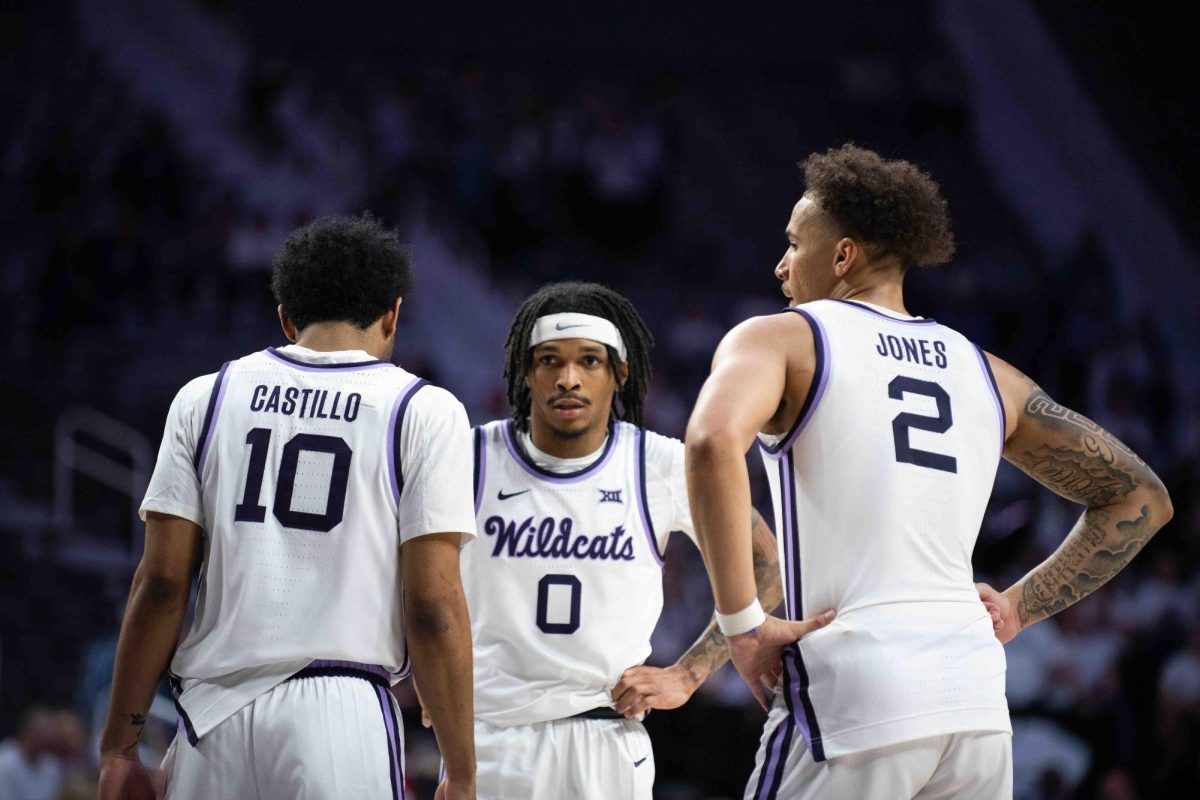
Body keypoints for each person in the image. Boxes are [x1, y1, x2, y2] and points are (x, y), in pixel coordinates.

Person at [684, 144, 1173, 799]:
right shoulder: (989, 373)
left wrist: (744, 627)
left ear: (843, 255)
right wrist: (1019, 607)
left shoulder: (782, 339)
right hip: (972, 708)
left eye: (794, 244)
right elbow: (1140, 495)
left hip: (855, 695)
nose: (780, 265)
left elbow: (711, 441)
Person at [97, 213, 478, 800]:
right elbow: (432, 603)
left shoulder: (206, 397)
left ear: (286, 318)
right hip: (341, 707)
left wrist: (119, 749)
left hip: (212, 719)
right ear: (393, 314)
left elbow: (161, 585)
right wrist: (460, 768)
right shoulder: (422, 410)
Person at [453, 281, 810, 800]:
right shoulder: (469, 456)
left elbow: (766, 562)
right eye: (550, 360)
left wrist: (687, 676)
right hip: (486, 738)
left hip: (607, 736)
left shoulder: (660, 464)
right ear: (526, 371)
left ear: (619, 372)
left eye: (590, 362)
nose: (568, 379)